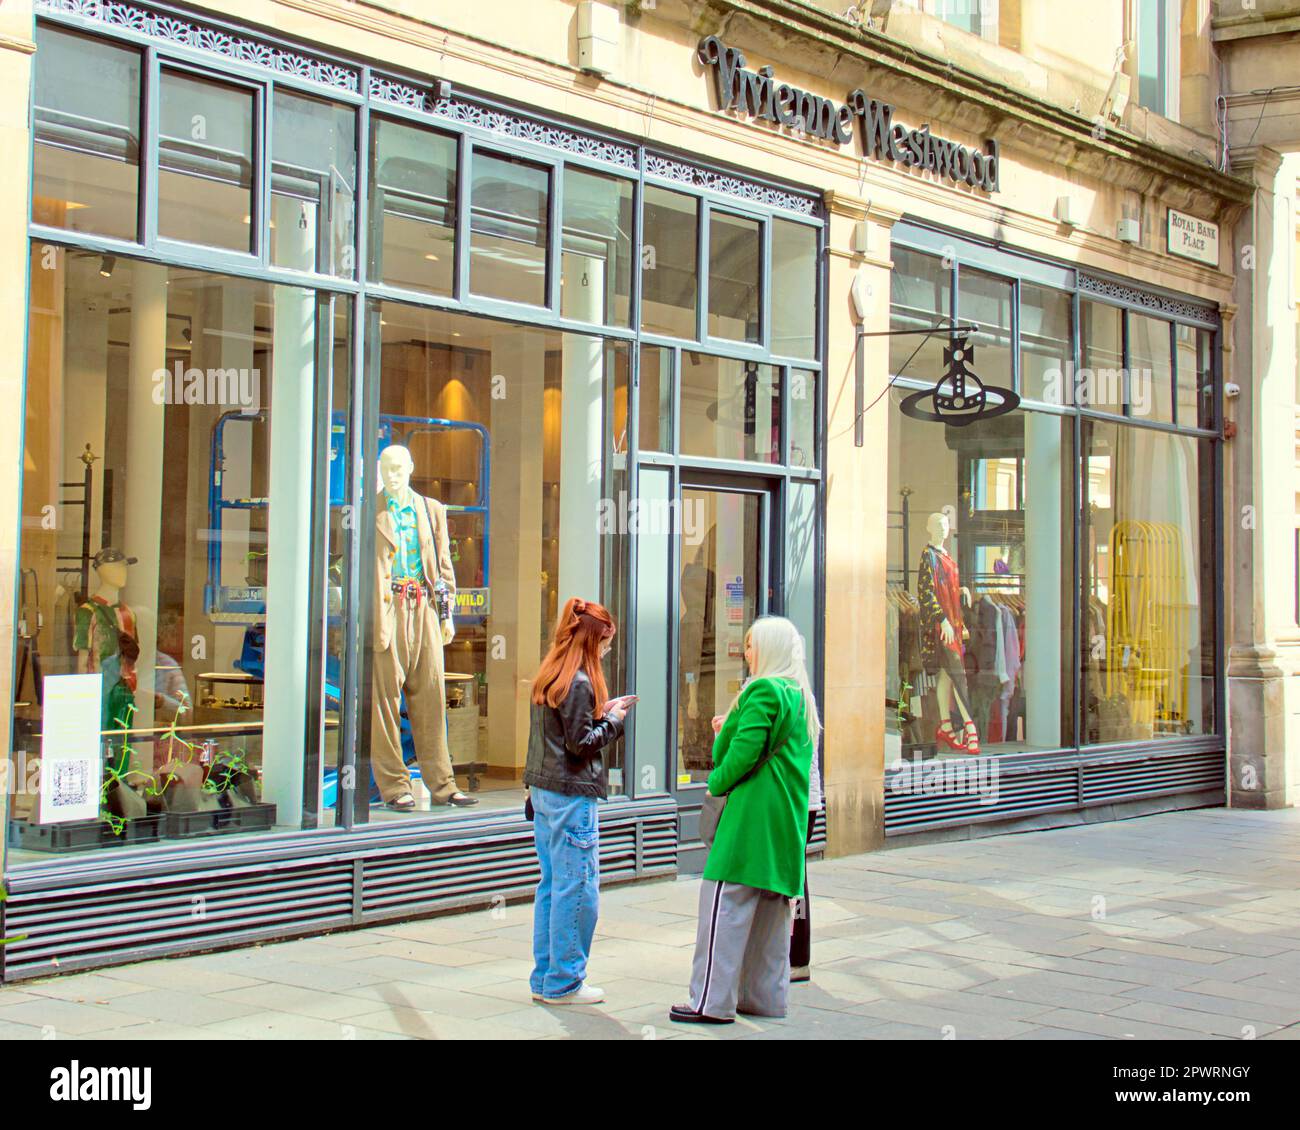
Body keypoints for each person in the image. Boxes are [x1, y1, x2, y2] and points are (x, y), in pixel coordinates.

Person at [671, 616, 819, 1025]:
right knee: (771, 919)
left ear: (768, 650)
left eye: (752, 645)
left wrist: (715, 783)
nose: (746, 652)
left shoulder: (763, 690)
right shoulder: (799, 694)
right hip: (784, 822)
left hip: (749, 822)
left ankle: (710, 1002)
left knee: (723, 906)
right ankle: (764, 998)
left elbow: (738, 756)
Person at [524, 598, 636, 1006]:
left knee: (553, 886)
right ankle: (564, 982)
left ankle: (545, 978)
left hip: (545, 793)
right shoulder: (580, 682)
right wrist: (613, 722)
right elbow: (580, 745)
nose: (607, 650)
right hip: (572, 796)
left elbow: (555, 736)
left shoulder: (550, 675)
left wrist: (599, 714)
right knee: (579, 889)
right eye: (605, 642)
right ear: (592, 639)